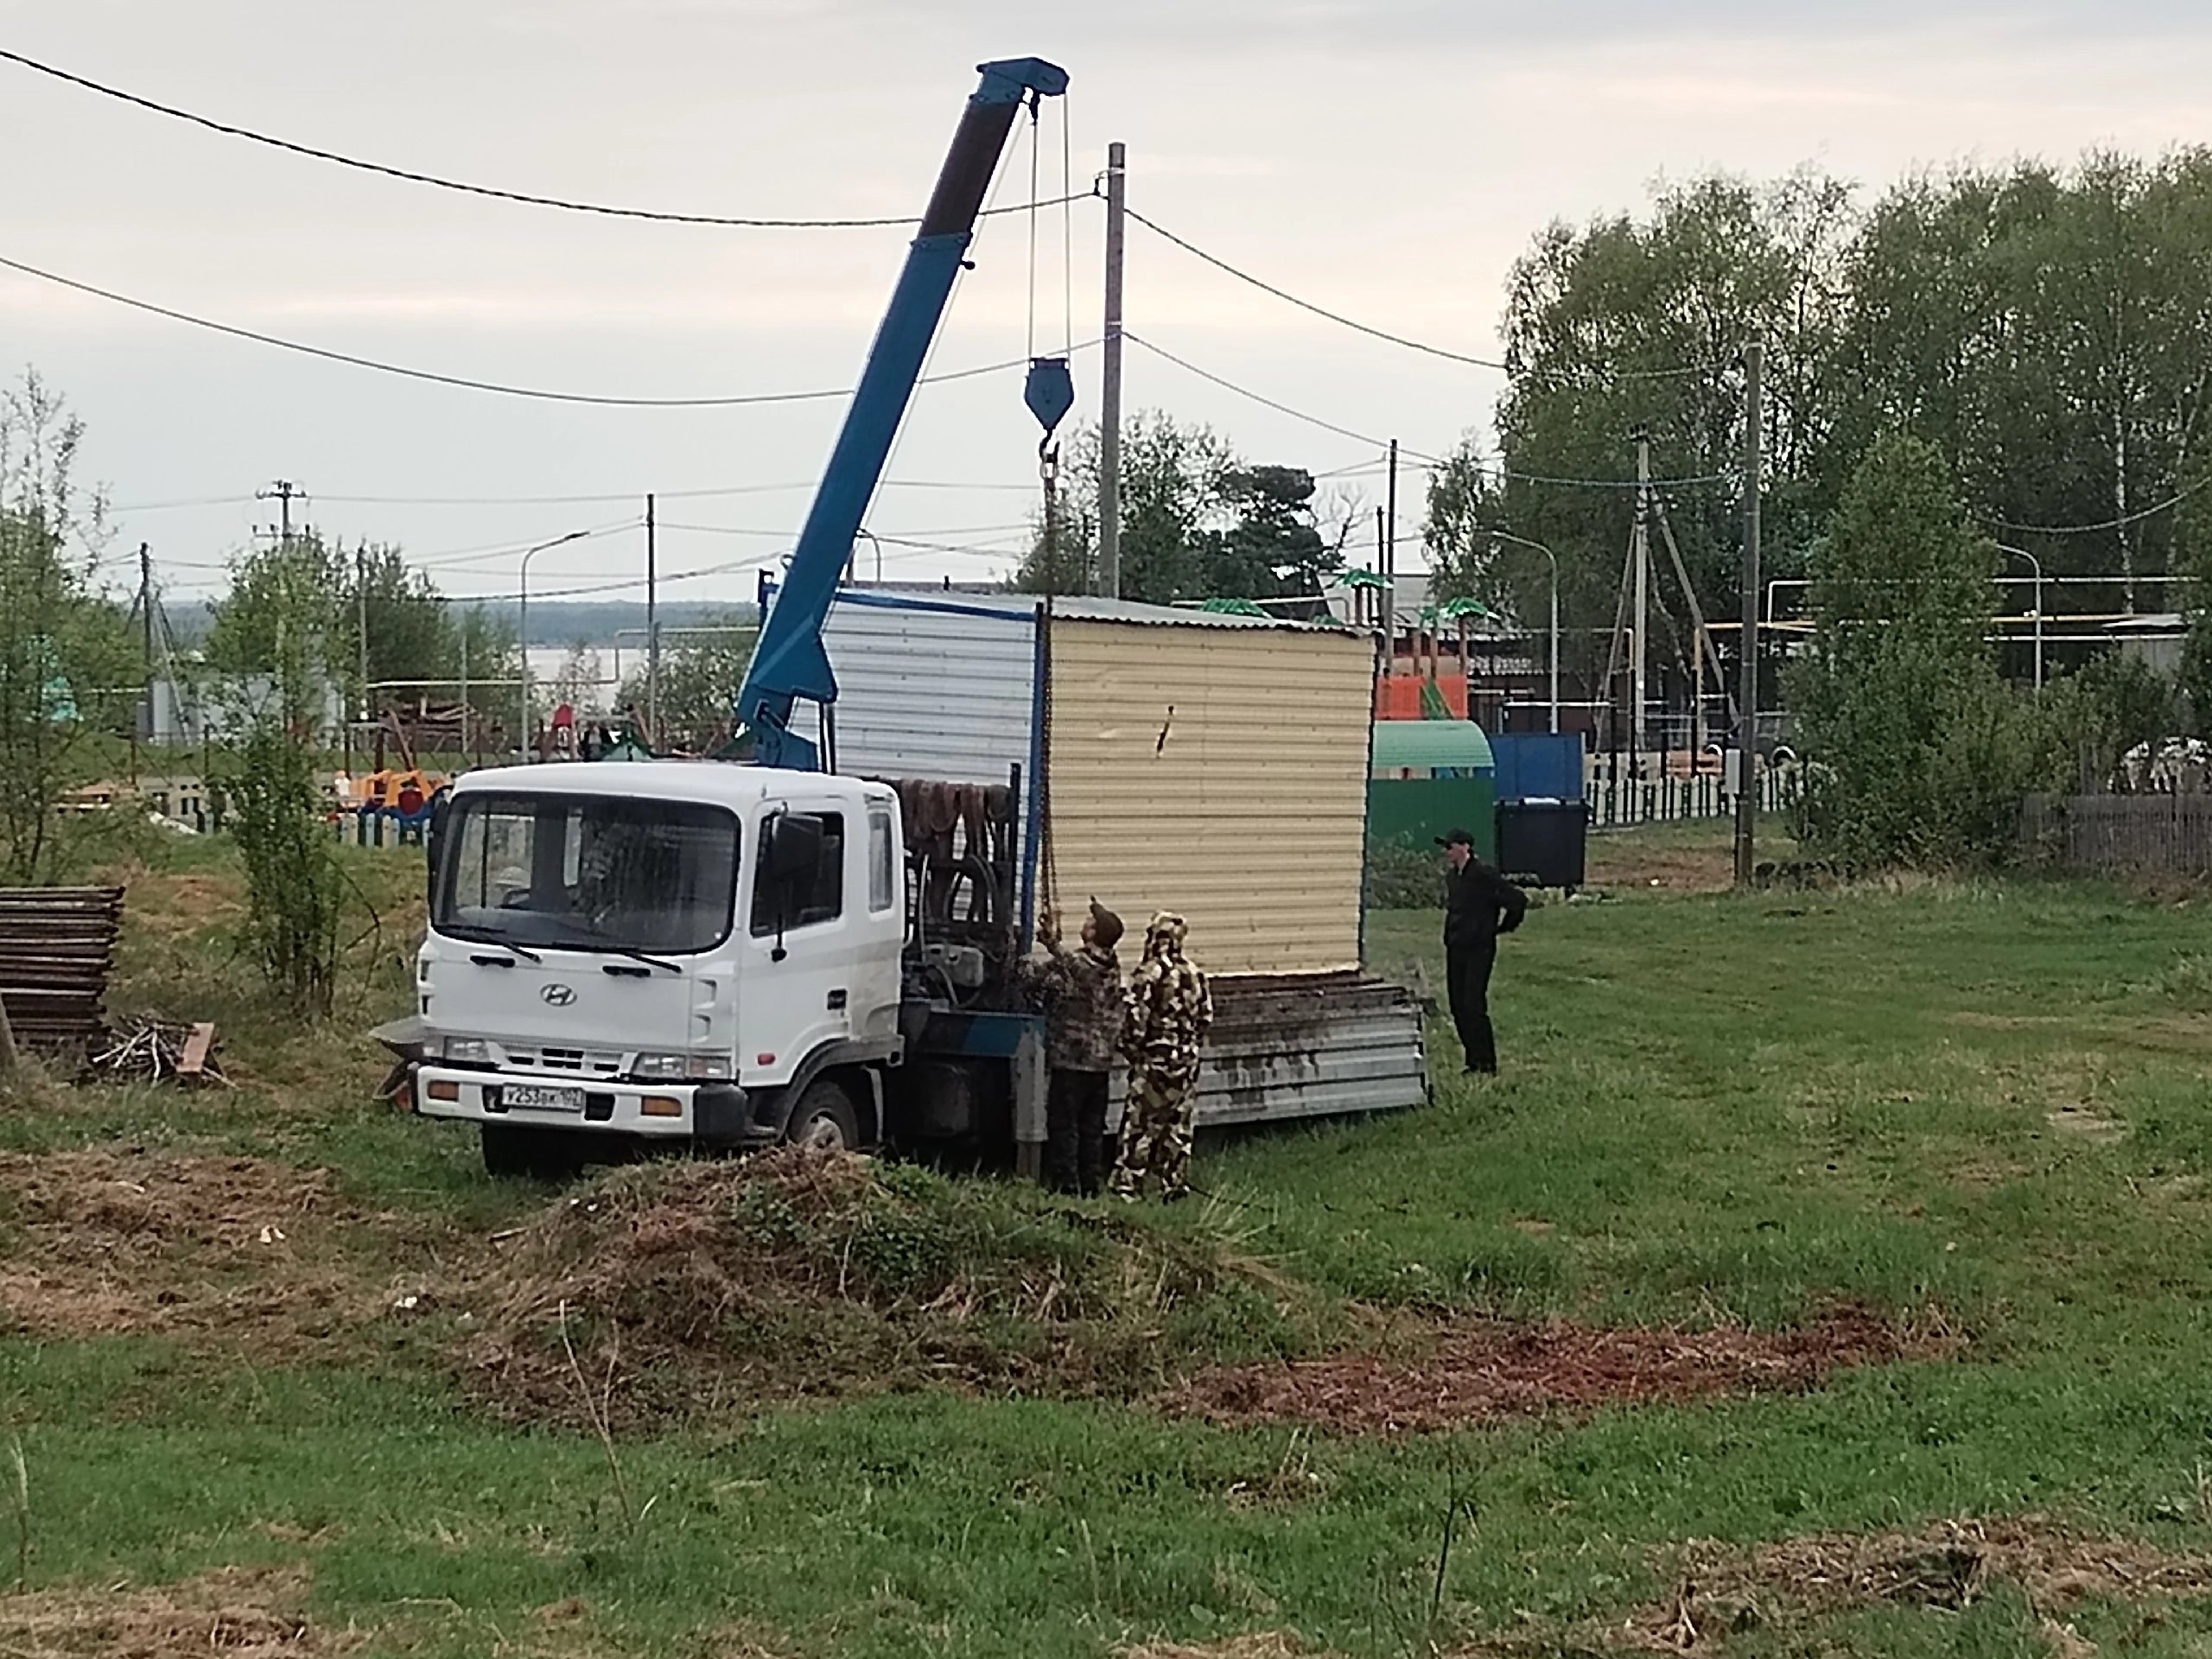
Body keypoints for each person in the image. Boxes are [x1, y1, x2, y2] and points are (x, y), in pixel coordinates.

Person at [1019, 899, 1125, 1195]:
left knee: (1065, 1126)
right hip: (1100, 1063)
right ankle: (1090, 1187)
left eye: (1089, 923)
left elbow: (1075, 966)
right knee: (1091, 1128)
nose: (1084, 924)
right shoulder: (1112, 966)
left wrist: (1050, 942)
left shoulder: (1091, 967)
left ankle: (1066, 1186)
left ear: (1093, 934)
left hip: (1074, 1060)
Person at [1109, 912, 1213, 1203]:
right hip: (1187, 1061)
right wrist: (1187, 1044)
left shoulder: (1149, 973)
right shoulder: (1196, 973)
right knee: (1178, 1126)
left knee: (1140, 1124)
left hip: (1154, 1061)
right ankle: (1173, 1184)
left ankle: (1129, 1186)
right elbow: (1206, 1017)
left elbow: (1135, 1021)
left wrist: (1132, 1050)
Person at [1438, 828, 1527, 1075]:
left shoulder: (1483, 875)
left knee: (1474, 1004)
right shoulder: (1452, 877)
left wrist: (1503, 928)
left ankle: (1487, 1063)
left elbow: (1516, 899)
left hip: (1479, 948)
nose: (1446, 852)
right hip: (1456, 947)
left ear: (1465, 847)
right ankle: (1472, 1060)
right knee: (1457, 1005)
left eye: (1449, 846)